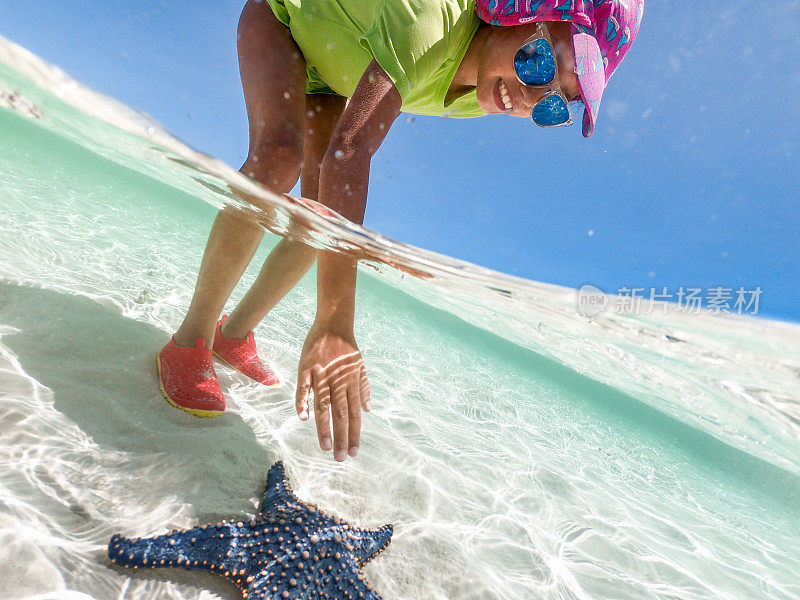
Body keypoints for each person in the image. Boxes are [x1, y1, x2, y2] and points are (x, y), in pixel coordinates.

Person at [157, 0, 644, 461]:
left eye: (556, 104)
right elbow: (349, 150)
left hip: (336, 69)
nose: (529, 98)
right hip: (286, 19)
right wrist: (334, 322)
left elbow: (340, 183)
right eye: (538, 63)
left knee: (322, 211)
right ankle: (190, 340)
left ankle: (235, 335)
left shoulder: (483, 94)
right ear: (518, 12)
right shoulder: (428, 21)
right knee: (278, 157)